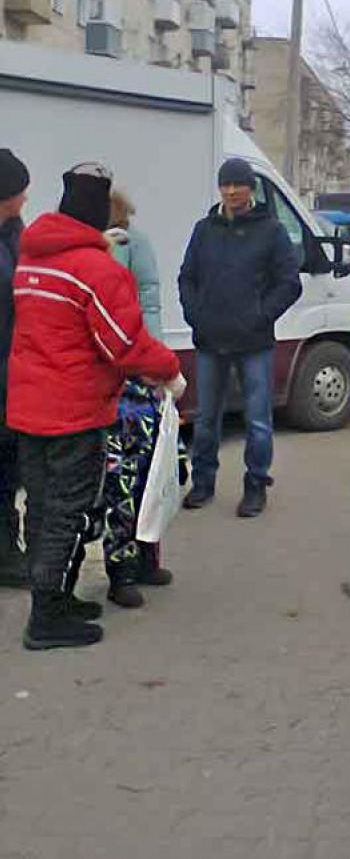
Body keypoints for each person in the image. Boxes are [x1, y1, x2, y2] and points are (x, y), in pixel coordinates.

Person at [7, 163, 185, 650]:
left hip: (28, 406)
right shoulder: (94, 269)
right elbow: (125, 344)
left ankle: (58, 598)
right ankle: (46, 618)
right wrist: (171, 372)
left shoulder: (32, 261)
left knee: (43, 505)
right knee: (70, 509)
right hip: (73, 410)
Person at [178, 158, 302, 518]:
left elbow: (289, 284)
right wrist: (194, 313)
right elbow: (187, 277)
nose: (231, 191)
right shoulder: (204, 229)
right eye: (225, 185)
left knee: (259, 420)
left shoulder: (272, 231)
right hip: (210, 338)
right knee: (205, 419)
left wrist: (261, 315)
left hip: (254, 342)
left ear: (251, 188)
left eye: (238, 184)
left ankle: (255, 485)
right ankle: (203, 483)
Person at [101, 190, 176, 609]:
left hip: (137, 376)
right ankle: (122, 569)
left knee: (149, 476)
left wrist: (154, 363)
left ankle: (145, 557)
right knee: (123, 481)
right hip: (117, 381)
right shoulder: (98, 249)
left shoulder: (132, 244)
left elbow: (148, 304)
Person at [0, 150, 30, 588]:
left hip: (11, 369)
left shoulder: (13, 234)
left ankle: (8, 548)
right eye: (20, 191)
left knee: (8, 464)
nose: (26, 198)